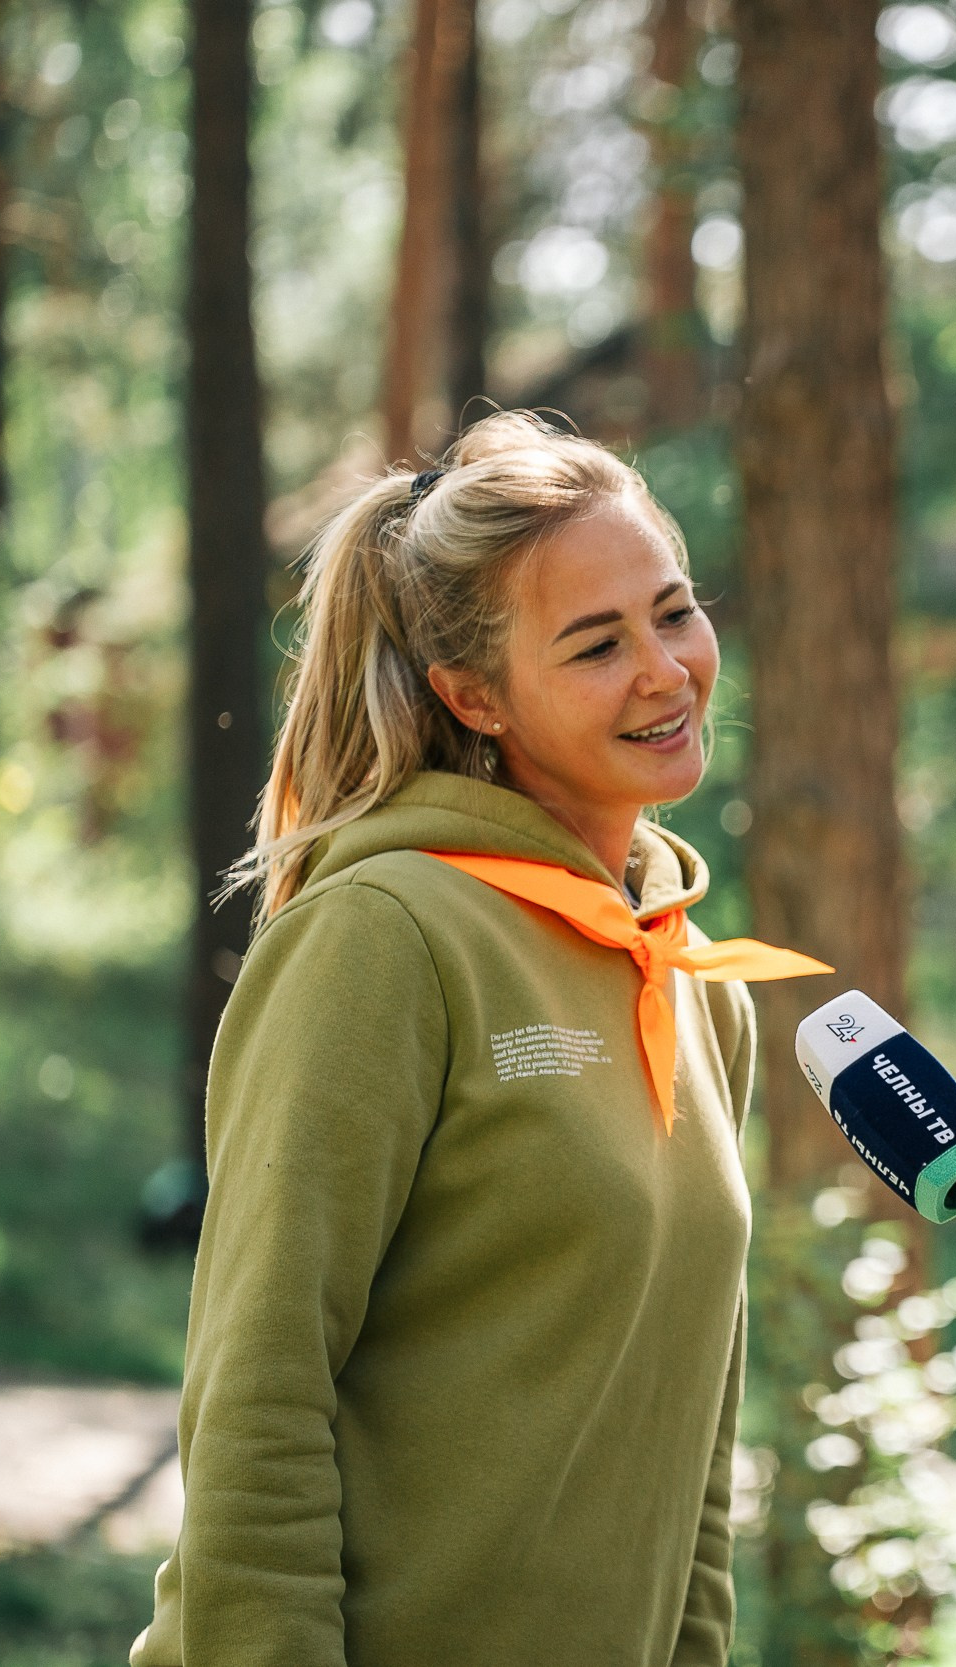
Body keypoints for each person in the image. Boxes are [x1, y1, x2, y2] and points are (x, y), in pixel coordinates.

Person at [132, 412, 815, 1667]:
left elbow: (689, 1448)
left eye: (672, 610)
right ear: (471, 693)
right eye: (596, 643)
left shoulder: (690, 980)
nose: (664, 670)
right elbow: (258, 1396)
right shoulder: (382, 935)